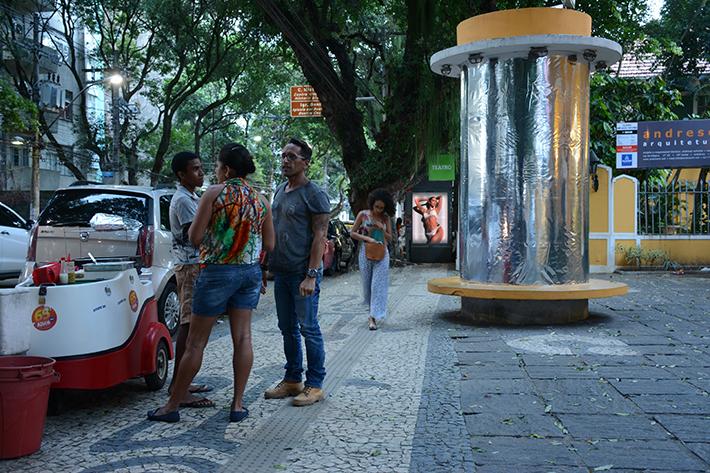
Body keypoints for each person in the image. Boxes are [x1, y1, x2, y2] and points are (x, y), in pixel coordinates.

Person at [148, 143, 274, 423]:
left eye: (216, 166)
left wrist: (221, 236)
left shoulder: (214, 194)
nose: (213, 172)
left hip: (216, 272)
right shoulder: (262, 199)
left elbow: (194, 236)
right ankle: (238, 405)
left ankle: (171, 407)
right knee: (243, 338)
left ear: (227, 169)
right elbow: (270, 242)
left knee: (195, 343)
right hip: (249, 272)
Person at [264, 138, 330, 407]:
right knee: (287, 328)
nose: (285, 161)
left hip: (304, 274)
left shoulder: (314, 194)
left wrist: (311, 275)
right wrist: (265, 268)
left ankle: (315, 384)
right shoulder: (280, 190)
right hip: (282, 272)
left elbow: (320, 235)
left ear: (306, 163)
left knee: (308, 328)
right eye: (283, 155)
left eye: (291, 156)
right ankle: (293, 379)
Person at [167, 151, 214, 408]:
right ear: (181, 174)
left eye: (201, 167)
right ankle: (178, 387)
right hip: (188, 266)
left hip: (195, 265)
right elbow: (193, 235)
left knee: (192, 322)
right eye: (195, 169)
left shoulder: (192, 196)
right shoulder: (183, 200)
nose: (200, 172)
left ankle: (182, 383)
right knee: (187, 324)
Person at [350, 189, 394, 330]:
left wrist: (382, 229)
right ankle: (371, 311)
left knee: (377, 285)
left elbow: (391, 238)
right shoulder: (363, 215)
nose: (379, 210)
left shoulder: (385, 218)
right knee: (367, 286)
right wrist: (367, 238)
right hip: (366, 252)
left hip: (382, 253)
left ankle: (373, 317)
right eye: (377, 207)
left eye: (382, 208)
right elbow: (352, 233)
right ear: (372, 204)